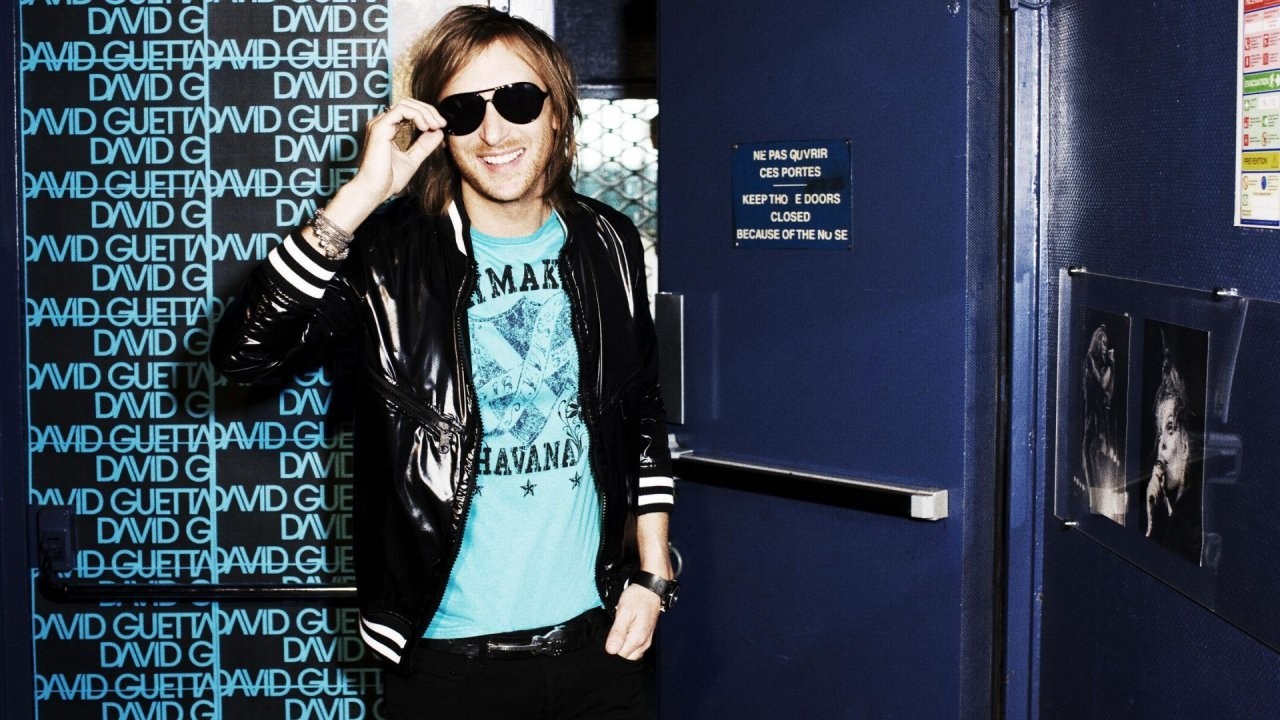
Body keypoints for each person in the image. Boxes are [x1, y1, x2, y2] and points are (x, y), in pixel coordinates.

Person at [210, 6, 677, 717]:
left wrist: (652, 575)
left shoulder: (605, 240)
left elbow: (639, 408)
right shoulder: (388, 257)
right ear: (438, 127)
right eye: (464, 110)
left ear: (558, 113)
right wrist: (362, 195)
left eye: (518, 101)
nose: (494, 132)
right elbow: (243, 356)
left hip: (599, 646)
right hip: (445, 662)